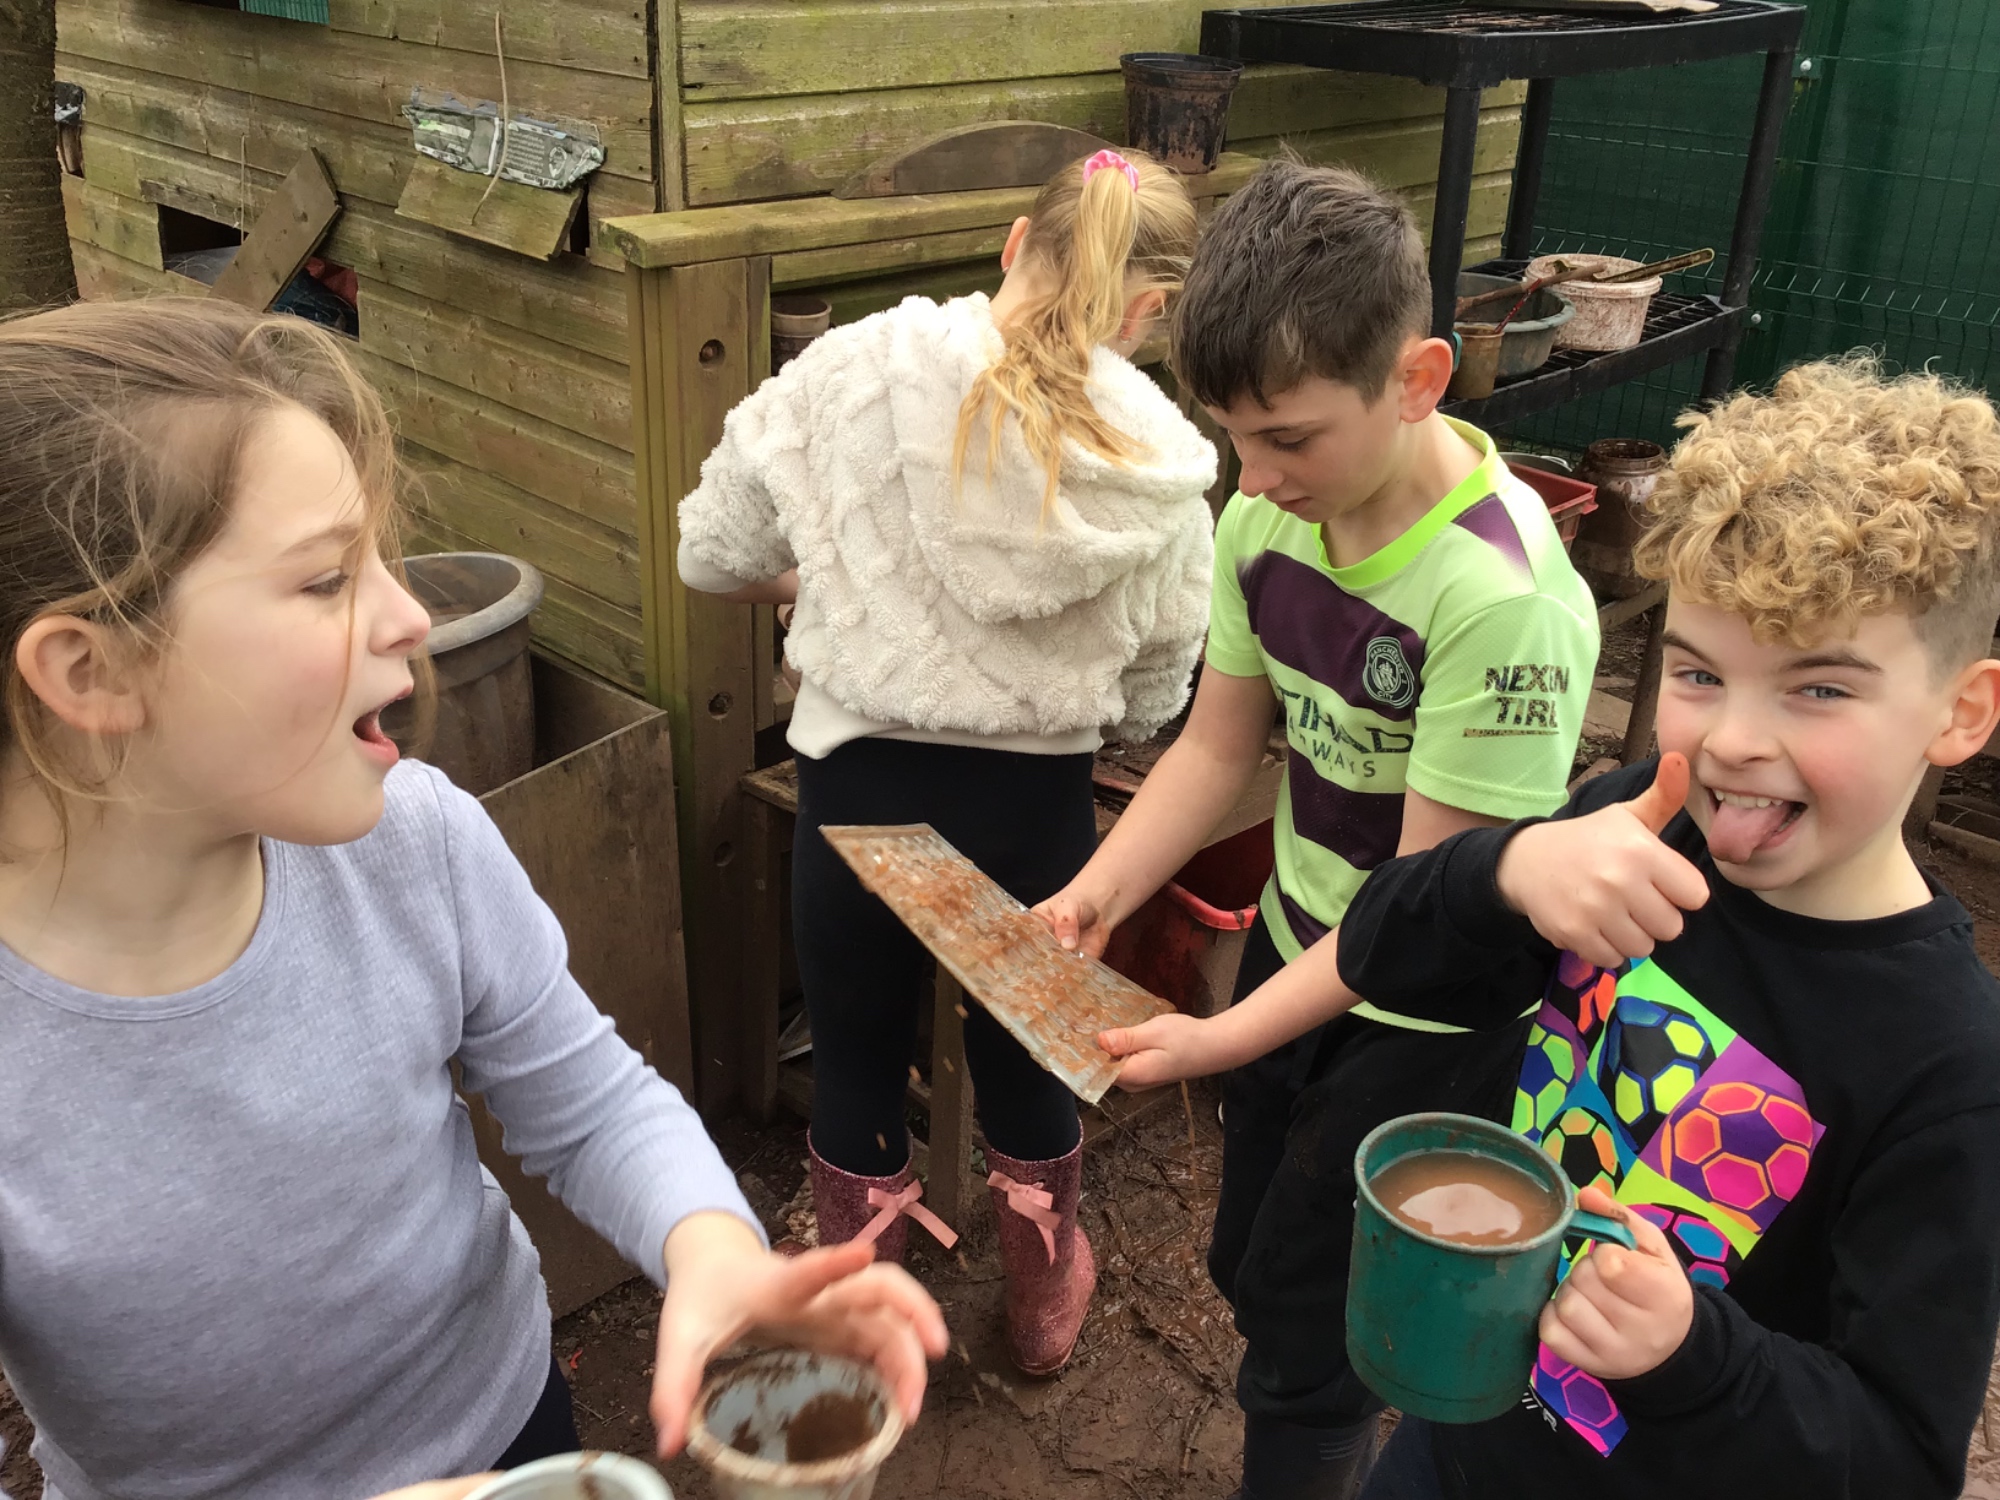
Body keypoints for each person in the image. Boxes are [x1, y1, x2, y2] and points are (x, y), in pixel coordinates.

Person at [0, 298, 946, 1500]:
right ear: (90, 670)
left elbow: (590, 1102)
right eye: (327, 579)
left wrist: (710, 1249)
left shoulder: (417, 841)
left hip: (508, 1425)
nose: (409, 616)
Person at [1112, 357, 2000, 1499]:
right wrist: (1508, 866)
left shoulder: (1947, 1070)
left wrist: (1691, 1355)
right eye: (1697, 674)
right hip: (1460, 1435)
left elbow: (1901, 1457)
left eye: (1817, 688)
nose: (1732, 740)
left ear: (1960, 711)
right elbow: (1388, 944)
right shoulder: (1633, 830)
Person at [1036, 158, 1599, 1494]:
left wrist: (1217, 1036)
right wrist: (1097, 892)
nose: (1255, 474)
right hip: (1298, 950)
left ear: (1416, 381)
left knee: (1311, 1345)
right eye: (1234, 435)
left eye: (1288, 438)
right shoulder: (1264, 523)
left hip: (1426, 1023)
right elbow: (1218, 745)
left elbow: (1419, 914)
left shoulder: (1498, 599)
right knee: (1255, 1260)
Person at [674, 147, 1216, 1376]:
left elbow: (711, 553)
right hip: (1037, 815)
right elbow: (1152, 694)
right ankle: (1039, 1302)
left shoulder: (853, 369)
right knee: (1029, 1057)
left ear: (1018, 241)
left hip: (854, 800)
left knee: (857, 1053)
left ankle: (865, 1323)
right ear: (1144, 311)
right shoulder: (1162, 465)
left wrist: (834, 586)